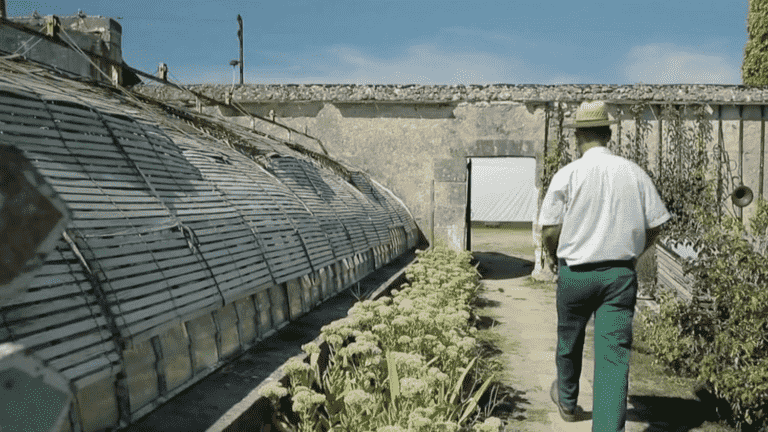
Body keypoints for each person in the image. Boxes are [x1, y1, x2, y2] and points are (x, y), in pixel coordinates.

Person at [538, 100, 670, 432]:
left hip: (576, 273)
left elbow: (550, 227)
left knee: (569, 340)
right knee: (613, 358)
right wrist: (636, 251)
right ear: (609, 134)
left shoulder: (568, 175)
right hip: (619, 275)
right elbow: (656, 223)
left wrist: (554, 257)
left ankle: (568, 403)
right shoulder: (634, 173)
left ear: (577, 136)